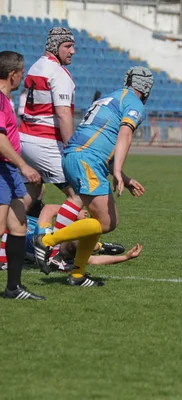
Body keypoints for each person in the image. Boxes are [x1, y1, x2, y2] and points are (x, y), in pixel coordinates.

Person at [33, 66, 151, 287]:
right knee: (106, 222)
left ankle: (77, 275)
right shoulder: (135, 103)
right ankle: (47, 241)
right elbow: (125, 134)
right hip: (87, 160)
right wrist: (116, 171)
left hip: (77, 157)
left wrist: (123, 176)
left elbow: (100, 140)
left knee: (103, 221)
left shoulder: (111, 97)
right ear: (146, 88)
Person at [17, 27, 80, 267]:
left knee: (27, 196)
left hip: (26, 140)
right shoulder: (59, 73)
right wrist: (73, 149)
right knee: (78, 194)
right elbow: (63, 116)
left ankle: (5, 248)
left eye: (72, 46)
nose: (72, 51)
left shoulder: (36, 66)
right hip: (45, 143)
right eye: (67, 46)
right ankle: (54, 252)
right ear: (54, 46)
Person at [0, 50, 44, 300]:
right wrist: (23, 166)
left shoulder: (5, 100)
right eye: (22, 72)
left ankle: (13, 288)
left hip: (9, 170)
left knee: (18, 225)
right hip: (3, 169)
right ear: (13, 74)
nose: (24, 76)